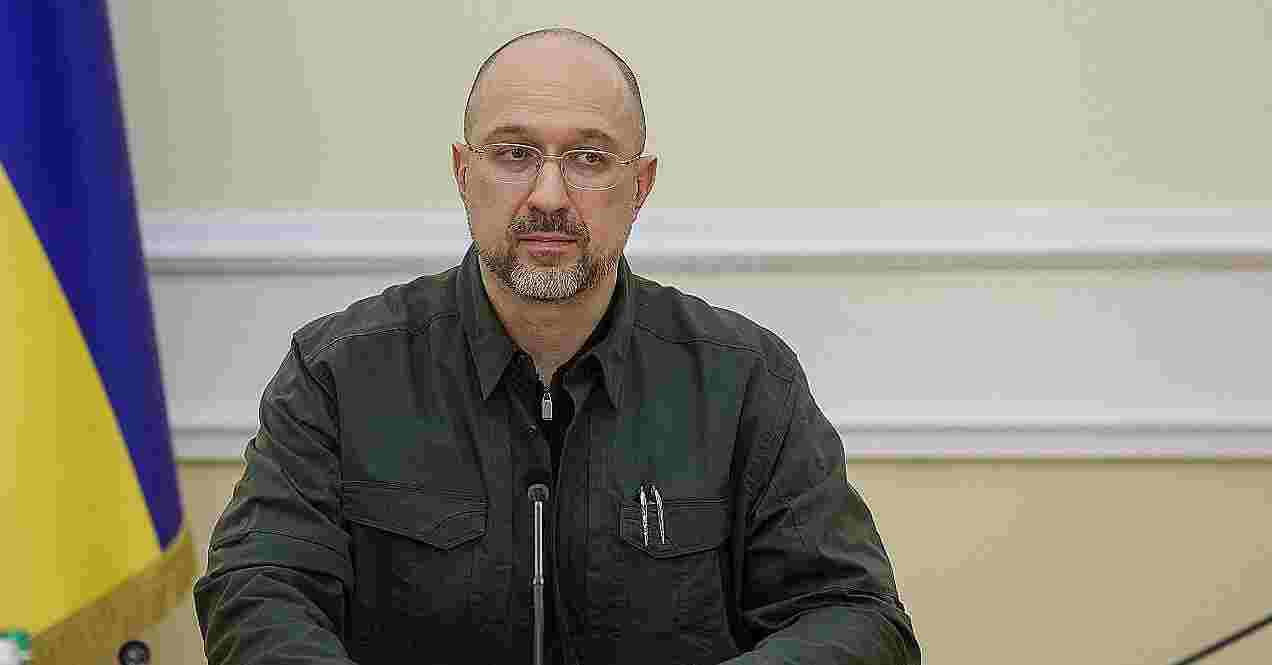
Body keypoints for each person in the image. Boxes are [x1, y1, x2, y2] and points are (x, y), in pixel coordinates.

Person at [194, 27, 921, 665]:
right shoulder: (337, 374)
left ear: (640, 186)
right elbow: (258, 590)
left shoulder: (747, 382)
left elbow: (855, 616)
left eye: (589, 158)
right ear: (463, 173)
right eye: (515, 153)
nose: (548, 194)